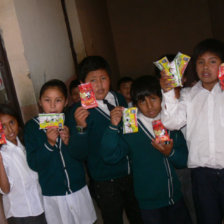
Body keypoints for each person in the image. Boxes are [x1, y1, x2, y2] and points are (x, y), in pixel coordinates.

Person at [100, 75, 192, 224]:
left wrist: (171, 153)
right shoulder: (131, 127)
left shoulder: (172, 121)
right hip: (147, 203)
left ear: (162, 97)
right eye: (142, 101)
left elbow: (184, 160)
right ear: (135, 104)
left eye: (153, 99)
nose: (149, 106)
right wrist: (112, 127)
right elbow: (109, 156)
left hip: (174, 196)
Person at [68, 56, 143, 224]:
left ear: (110, 78)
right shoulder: (77, 110)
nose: (99, 85)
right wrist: (81, 127)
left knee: (138, 214)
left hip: (130, 172)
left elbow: (130, 131)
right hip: (104, 179)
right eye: (92, 80)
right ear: (83, 84)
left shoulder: (119, 99)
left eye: (103, 78)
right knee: (113, 218)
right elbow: (78, 153)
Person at [160, 38, 224, 224]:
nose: (206, 67)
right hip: (202, 174)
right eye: (201, 62)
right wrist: (169, 92)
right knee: (208, 219)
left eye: (213, 61)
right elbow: (172, 122)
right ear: (194, 66)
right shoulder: (188, 96)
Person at [24, 79, 96, 224]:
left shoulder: (70, 120)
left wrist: (71, 139)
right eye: (47, 100)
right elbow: (34, 164)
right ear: (39, 102)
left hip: (78, 188)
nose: (52, 105)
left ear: (65, 102)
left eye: (58, 100)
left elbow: (82, 154)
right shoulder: (32, 127)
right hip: (53, 193)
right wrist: (49, 144)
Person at [0, 104, 47, 224]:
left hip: (40, 205)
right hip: (20, 213)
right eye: (3, 127)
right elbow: (5, 189)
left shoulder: (25, 144)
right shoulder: (4, 154)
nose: (10, 130)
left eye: (11, 123)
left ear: (18, 122)